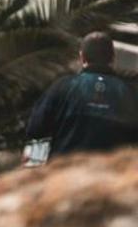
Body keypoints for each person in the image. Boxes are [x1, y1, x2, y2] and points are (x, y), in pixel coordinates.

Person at [25, 31, 138, 160]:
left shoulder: (62, 86)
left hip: (66, 173)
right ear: (113, 58)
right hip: (111, 175)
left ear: (82, 57)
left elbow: (35, 129)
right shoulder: (129, 92)